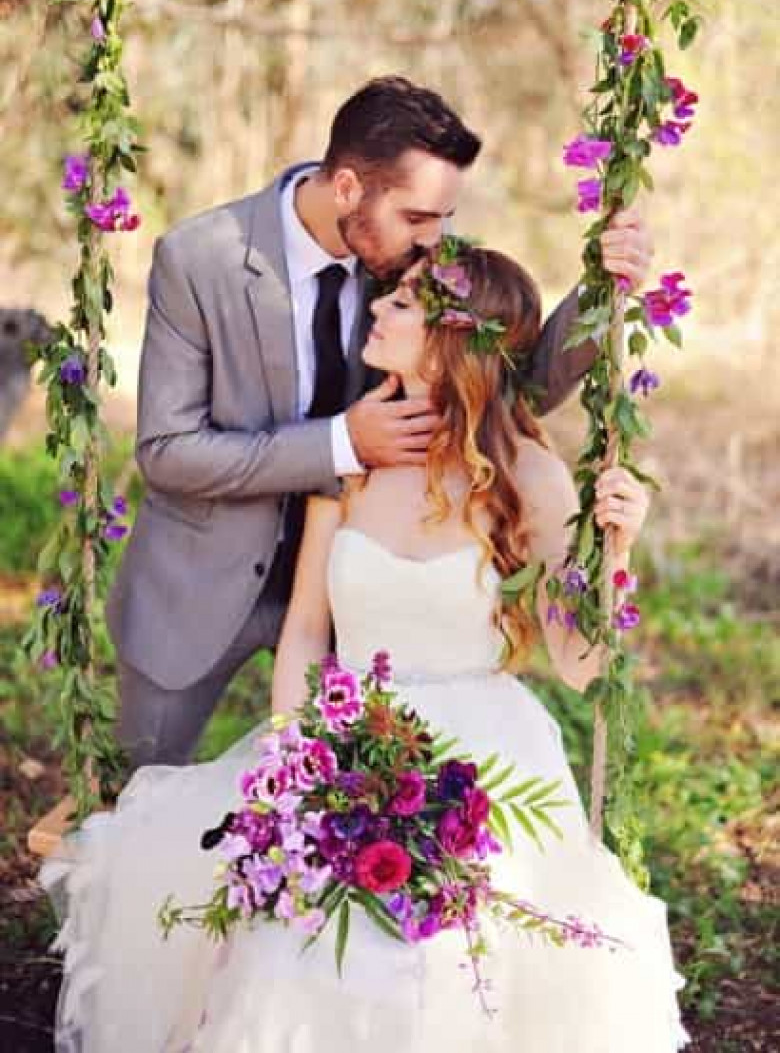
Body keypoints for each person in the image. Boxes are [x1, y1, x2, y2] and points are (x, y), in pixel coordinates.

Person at [43, 244, 689, 1052]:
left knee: (455, 949)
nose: (377, 309)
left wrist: (617, 549)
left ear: (455, 339)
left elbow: (581, 662)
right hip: (345, 737)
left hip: (481, 759)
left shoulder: (527, 474)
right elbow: (306, 629)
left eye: (403, 303)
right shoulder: (354, 461)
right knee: (288, 934)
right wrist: (290, 761)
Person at [106, 75, 655, 771]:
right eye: (419, 216)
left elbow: (496, 388)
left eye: (445, 217)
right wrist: (342, 443)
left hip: (371, 586)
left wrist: (603, 288)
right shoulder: (199, 259)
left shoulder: (421, 271)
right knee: (135, 790)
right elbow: (166, 450)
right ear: (347, 190)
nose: (436, 240)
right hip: (200, 582)